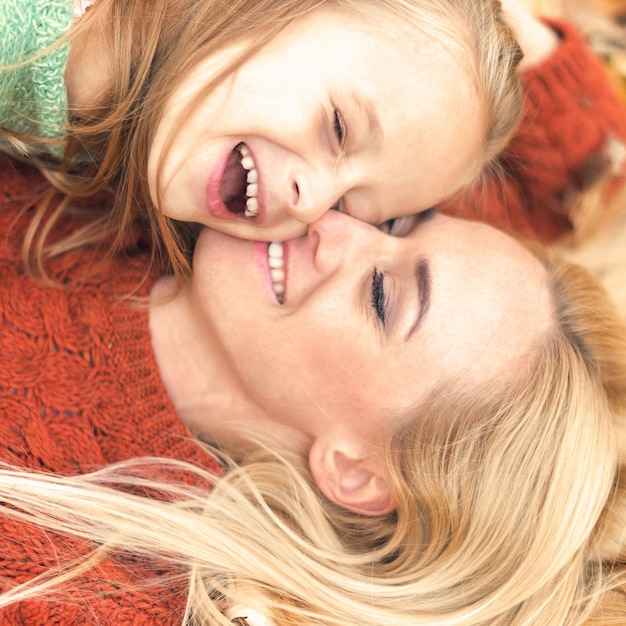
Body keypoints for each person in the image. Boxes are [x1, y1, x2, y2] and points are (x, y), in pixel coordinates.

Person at [2, 148, 626, 625]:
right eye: (399, 221)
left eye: (382, 298)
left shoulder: (83, 589)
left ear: (353, 473)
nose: (333, 224)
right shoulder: (165, 160)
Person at [2, 0, 625, 277]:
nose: (311, 198)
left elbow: (562, 211)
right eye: (339, 128)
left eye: (347, 208)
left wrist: (511, 33)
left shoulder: (115, 149)